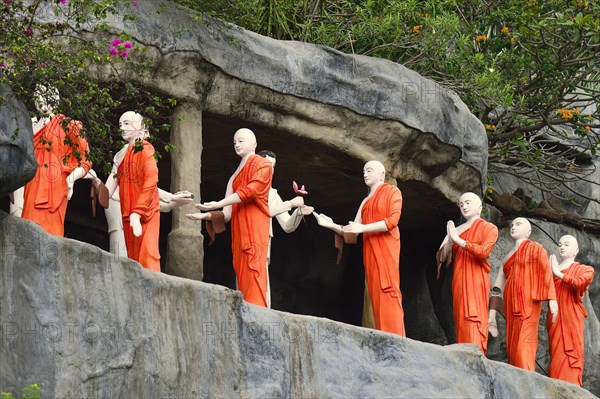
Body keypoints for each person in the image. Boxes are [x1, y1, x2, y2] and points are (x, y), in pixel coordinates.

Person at [313, 161, 405, 336]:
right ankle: (383, 336)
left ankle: (396, 337)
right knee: (375, 292)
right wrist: (331, 225)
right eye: (363, 171)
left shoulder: (392, 191)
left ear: (382, 174)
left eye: (369, 170)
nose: (365, 174)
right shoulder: (365, 201)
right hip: (370, 251)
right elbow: (352, 233)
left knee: (389, 289)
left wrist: (362, 228)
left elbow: (392, 222)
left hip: (386, 248)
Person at [186, 128, 273, 307]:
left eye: (241, 140)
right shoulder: (234, 176)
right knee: (241, 270)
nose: (237, 144)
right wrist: (205, 215)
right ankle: (248, 310)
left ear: (254, 143)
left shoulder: (263, 165)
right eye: (234, 142)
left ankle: (258, 311)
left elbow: (250, 192)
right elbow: (226, 214)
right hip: (238, 233)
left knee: (254, 268)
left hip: (254, 228)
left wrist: (218, 202)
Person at [12, 85, 92, 236]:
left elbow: (85, 159)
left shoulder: (68, 125)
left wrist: (72, 179)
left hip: (54, 185)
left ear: (56, 100)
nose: (40, 100)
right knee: (27, 227)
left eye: (45, 95)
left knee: (50, 230)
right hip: (30, 183)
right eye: (37, 96)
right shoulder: (30, 125)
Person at [92, 111, 161, 272]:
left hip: (146, 213)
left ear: (142, 128)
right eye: (121, 124)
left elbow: (152, 181)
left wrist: (138, 213)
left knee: (147, 256)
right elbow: (106, 195)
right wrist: (95, 180)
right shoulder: (121, 157)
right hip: (128, 216)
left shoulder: (145, 150)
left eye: (127, 124)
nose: (122, 128)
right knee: (133, 260)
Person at [489, 217, 558, 371]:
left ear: (529, 231)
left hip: (527, 304)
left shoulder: (535, 248)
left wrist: (552, 300)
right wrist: (491, 315)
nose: (513, 227)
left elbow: (545, 272)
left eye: (518, 224)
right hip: (510, 307)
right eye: (512, 224)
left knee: (524, 346)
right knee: (512, 348)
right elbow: (497, 288)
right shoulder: (507, 257)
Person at [436, 192, 498, 354]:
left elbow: (484, 252)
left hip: (476, 277)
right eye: (461, 204)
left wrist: (458, 240)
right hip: (459, 278)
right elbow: (441, 257)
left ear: (479, 207)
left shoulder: (489, 228)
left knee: (474, 316)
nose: (464, 206)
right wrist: (450, 239)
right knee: (461, 317)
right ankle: (465, 353)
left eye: (468, 202)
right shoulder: (456, 230)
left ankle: (476, 352)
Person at [257, 150, 314, 308]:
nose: (271, 170)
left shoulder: (273, 193)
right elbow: (264, 211)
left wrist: (298, 212)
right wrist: (290, 203)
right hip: (249, 239)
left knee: (263, 288)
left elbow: (287, 226)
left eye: (273, 166)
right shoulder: (249, 188)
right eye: (267, 165)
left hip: (264, 242)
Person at [547, 235, 594, 386]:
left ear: (576, 250)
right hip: (555, 316)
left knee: (572, 353)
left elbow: (579, 282)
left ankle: (571, 388)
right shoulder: (551, 270)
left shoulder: (584, 269)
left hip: (571, 316)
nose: (562, 247)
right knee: (556, 354)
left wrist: (558, 273)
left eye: (567, 244)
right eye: (560, 244)